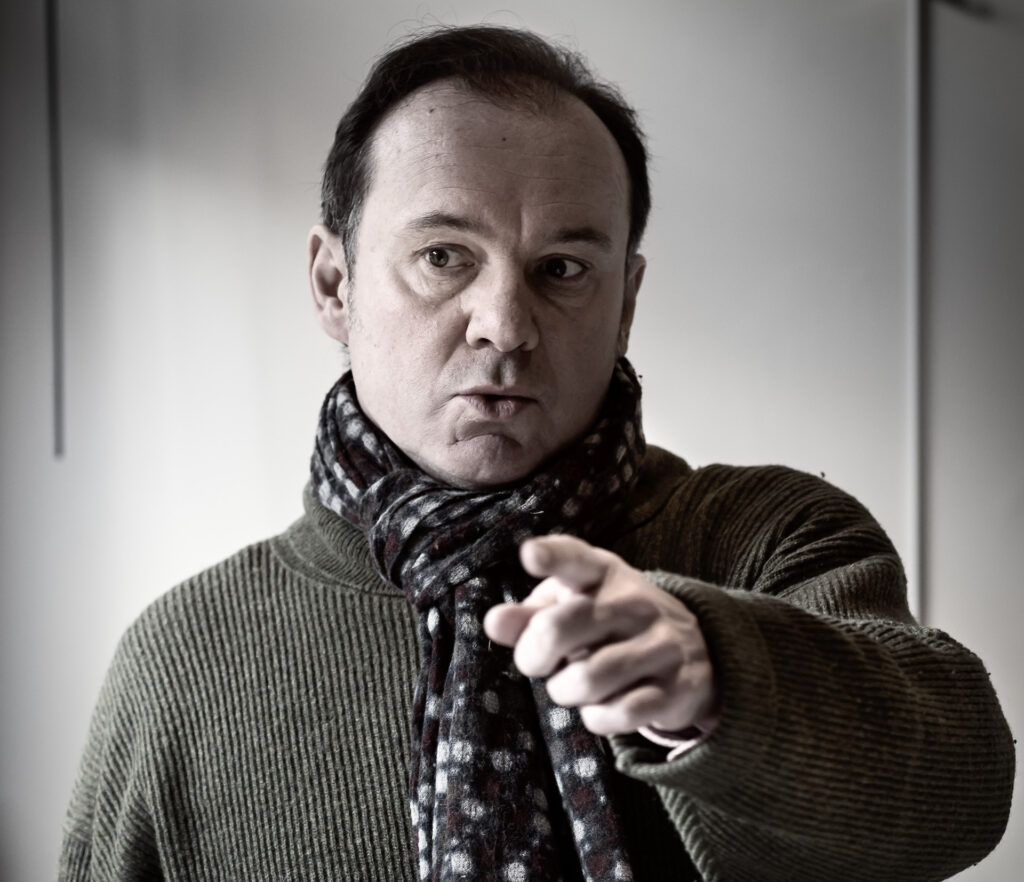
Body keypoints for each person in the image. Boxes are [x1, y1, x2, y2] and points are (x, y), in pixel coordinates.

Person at [59, 25, 1013, 882]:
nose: (506, 326)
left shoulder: (770, 539)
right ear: (333, 284)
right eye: (444, 257)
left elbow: (961, 794)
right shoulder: (182, 663)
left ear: (625, 301)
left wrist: (719, 682)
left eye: (562, 269)